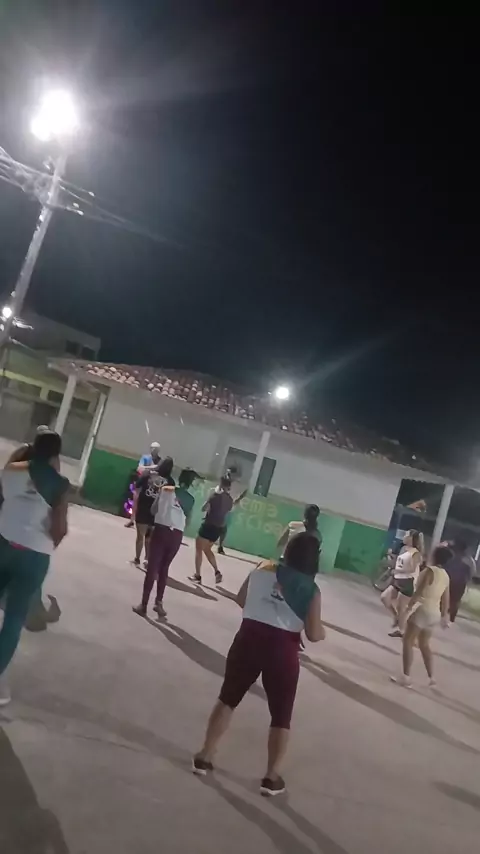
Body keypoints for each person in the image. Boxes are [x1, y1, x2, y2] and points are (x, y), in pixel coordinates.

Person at [192, 531, 326, 795]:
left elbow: (241, 599)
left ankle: (205, 756)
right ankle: (271, 778)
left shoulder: (263, 567)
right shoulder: (311, 590)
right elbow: (313, 634)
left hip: (247, 640)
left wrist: (265, 611)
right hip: (282, 651)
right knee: (281, 716)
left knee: (228, 698)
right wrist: (318, 630)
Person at [0, 431, 69, 705]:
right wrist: (48, 543)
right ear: (56, 454)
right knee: (14, 618)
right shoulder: (59, 484)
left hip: (4, 542)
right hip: (34, 554)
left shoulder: (11, 470)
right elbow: (59, 529)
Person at [133, 464, 189, 619]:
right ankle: (159, 602)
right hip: (177, 535)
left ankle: (143, 605)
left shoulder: (165, 490)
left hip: (161, 530)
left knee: (152, 568)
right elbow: (187, 520)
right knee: (164, 568)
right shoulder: (190, 499)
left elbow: (153, 510)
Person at [391, 544, 451, 688]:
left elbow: (418, 592)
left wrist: (408, 608)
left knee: (407, 641)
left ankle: (406, 677)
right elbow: (446, 599)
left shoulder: (429, 571)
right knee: (424, 644)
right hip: (434, 613)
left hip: (422, 609)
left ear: (435, 556)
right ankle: (431, 677)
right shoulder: (445, 576)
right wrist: (444, 615)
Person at [189, 475, 234, 585]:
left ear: (221, 484)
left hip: (208, 525)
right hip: (218, 528)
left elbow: (204, 508)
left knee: (199, 549)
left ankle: (197, 575)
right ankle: (217, 572)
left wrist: (209, 500)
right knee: (207, 549)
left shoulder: (214, 496)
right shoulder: (230, 500)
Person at [131, 457, 174, 567]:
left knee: (140, 536)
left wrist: (135, 505)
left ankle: (137, 558)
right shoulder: (170, 481)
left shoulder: (148, 474)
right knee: (150, 538)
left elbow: (137, 487)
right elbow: (170, 499)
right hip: (157, 512)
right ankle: (147, 559)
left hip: (143, 508)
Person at [380, 530, 424, 638]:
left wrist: (397, 571)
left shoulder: (415, 553)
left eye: (406, 535)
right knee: (384, 597)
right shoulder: (403, 548)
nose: (404, 537)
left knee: (401, 608)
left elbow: (412, 569)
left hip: (408, 581)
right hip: (398, 579)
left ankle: (402, 631)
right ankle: (397, 618)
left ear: (412, 538)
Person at [125, 442, 161, 527]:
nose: (153, 450)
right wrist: (152, 468)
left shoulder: (160, 461)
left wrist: (148, 469)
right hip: (141, 482)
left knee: (150, 504)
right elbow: (139, 468)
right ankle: (132, 520)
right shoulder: (145, 457)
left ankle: (148, 523)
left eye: (155, 448)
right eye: (152, 448)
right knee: (136, 500)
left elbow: (159, 472)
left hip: (152, 486)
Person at [444, 538, 475, 622]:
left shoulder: (452, 555)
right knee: (455, 600)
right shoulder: (469, 560)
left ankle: (447, 614)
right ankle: (450, 617)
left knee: (449, 598)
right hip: (460, 583)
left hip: (451, 581)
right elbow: (471, 572)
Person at [217, 487, 248, 555]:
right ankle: (218, 545)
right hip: (224, 514)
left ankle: (220, 546)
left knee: (223, 531)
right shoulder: (225, 497)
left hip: (227, 514)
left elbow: (235, 501)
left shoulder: (230, 498)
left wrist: (242, 496)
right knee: (221, 530)